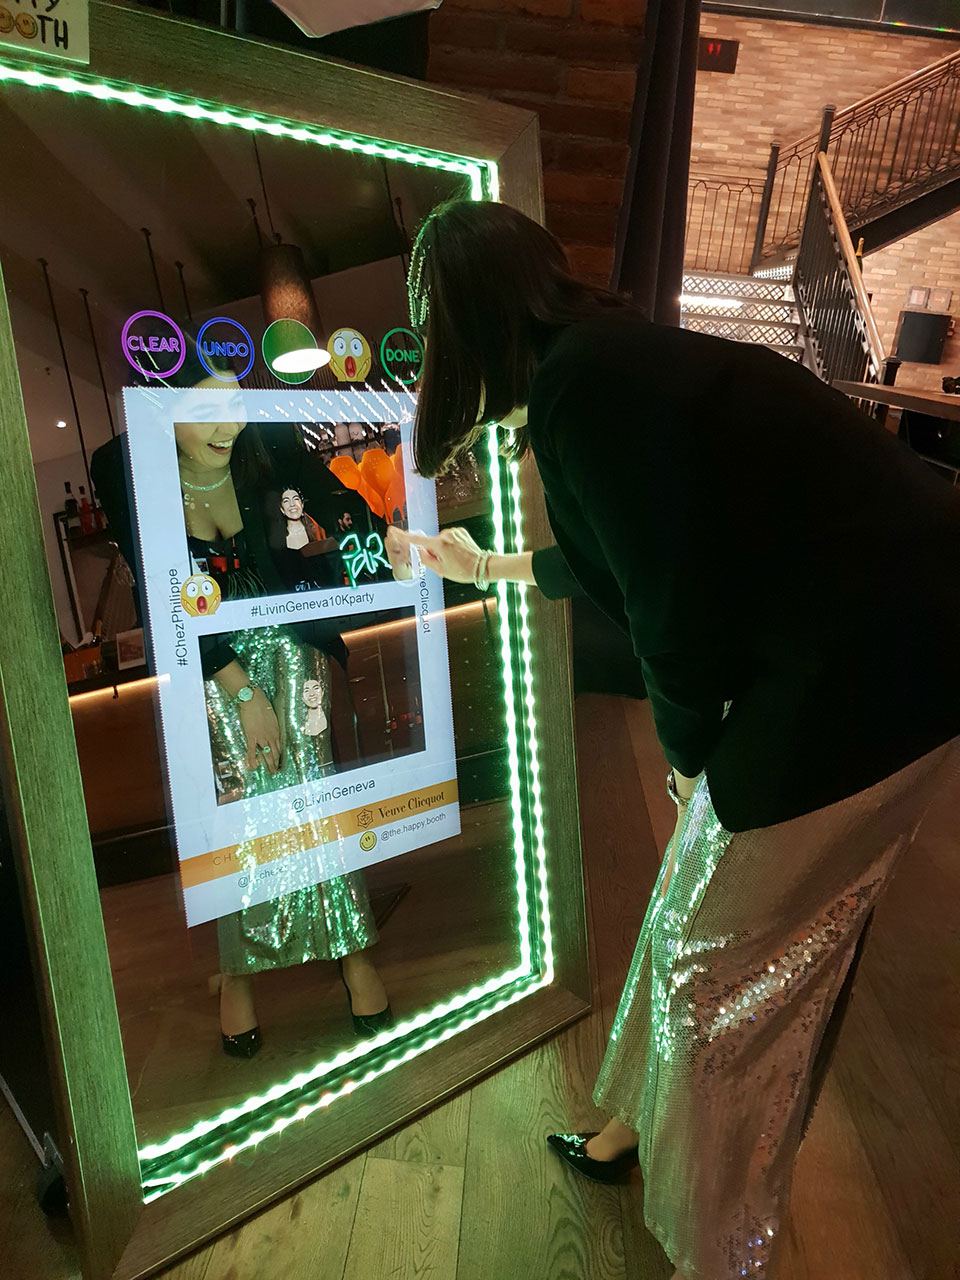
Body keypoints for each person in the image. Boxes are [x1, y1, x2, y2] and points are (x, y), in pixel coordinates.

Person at [387, 198, 960, 1280]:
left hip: (880, 661)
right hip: (873, 636)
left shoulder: (585, 387)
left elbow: (670, 602)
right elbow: (630, 547)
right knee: (696, 909)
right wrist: (489, 567)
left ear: (461, 318)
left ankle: (715, 1247)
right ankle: (634, 1127)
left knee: (715, 963)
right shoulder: (599, 366)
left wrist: (689, 753)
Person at [92, 344, 394, 1060]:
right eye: (205, 410)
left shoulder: (264, 448)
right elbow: (166, 597)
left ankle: (352, 950)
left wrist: (367, 531)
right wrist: (243, 692)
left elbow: (341, 506)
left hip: (291, 646)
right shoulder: (133, 477)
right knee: (238, 811)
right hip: (211, 667)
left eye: (234, 404)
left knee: (312, 798)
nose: (228, 424)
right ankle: (238, 974)